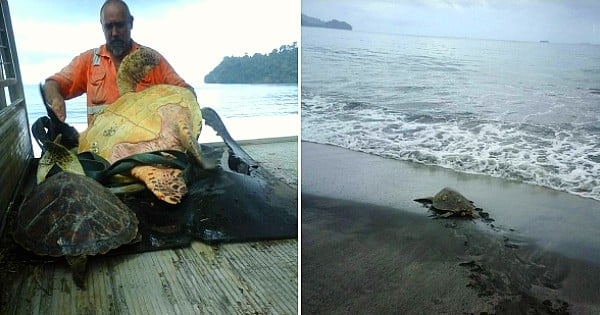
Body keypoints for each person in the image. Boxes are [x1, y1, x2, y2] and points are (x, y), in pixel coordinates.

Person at [43, 0, 193, 124]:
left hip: (144, 150)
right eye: (108, 26)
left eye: (120, 25)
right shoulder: (89, 61)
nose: (114, 33)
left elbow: (186, 92)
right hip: (101, 152)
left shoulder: (151, 59)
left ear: (131, 23)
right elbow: (52, 84)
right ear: (101, 25)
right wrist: (56, 98)